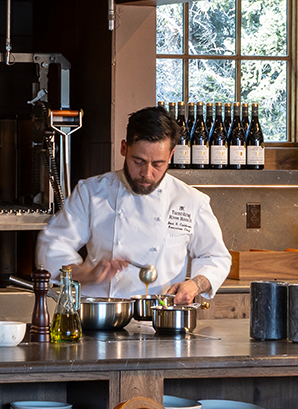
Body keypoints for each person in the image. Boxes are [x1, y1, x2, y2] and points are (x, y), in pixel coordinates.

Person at [36, 105, 230, 304]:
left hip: (160, 319)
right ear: (124, 148)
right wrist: (87, 274)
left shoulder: (191, 200)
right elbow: (52, 245)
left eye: (158, 164)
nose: (147, 173)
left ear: (171, 156)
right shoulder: (92, 192)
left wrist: (195, 285)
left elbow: (216, 258)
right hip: (101, 316)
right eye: (138, 161)